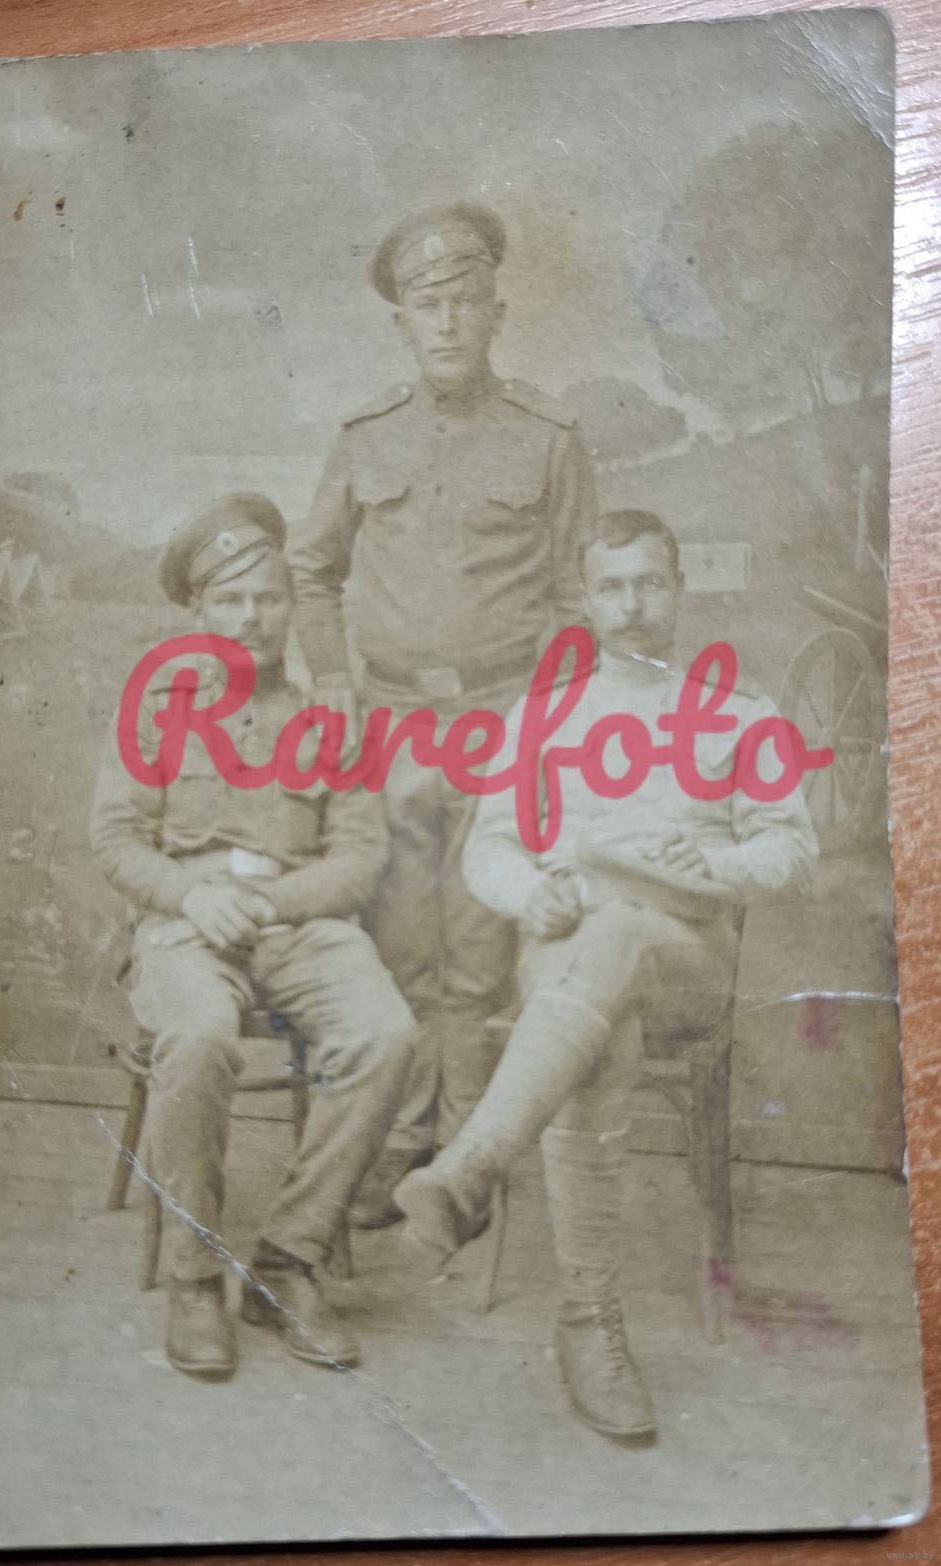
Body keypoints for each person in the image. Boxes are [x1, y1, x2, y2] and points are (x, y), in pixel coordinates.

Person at [394, 509, 819, 1441]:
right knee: (600, 1027)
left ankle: (473, 1167)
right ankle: (589, 1319)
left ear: (679, 589)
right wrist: (530, 894)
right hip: (568, 949)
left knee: (619, 937)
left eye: (650, 584)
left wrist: (718, 863)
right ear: (585, 601)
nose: (632, 606)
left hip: (687, 959)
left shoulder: (741, 712)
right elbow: (491, 849)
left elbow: (793, 846)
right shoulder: (544, 716)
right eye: (612, 587)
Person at [289, 202, 596, 1224]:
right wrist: (331, 679)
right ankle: (402, 1146)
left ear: (497, 312)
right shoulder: (364, 437)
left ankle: (465, 1163)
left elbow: (577, 601)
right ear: (403, 325)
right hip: (388, 727)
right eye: (430, 306)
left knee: (476, 951)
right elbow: (311, 568)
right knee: (397, 940)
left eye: (467, 301)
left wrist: (545, 726)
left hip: (503, 724)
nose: (450, 322)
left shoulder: (549, 440)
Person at [90, 494, 417, 1381]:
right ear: (198, 610)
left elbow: (359, 858)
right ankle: (195, 1275)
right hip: (185, 924)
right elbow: (115, 838)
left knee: (386, 1035)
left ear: (290, 606)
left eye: (269, 598)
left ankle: (287, 1261)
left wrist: (267, 904)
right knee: (198, 1036)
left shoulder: (329, 717)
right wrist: (194, 897)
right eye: (230, 600)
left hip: (298, 921)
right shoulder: (155, 706)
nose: (251, 618)